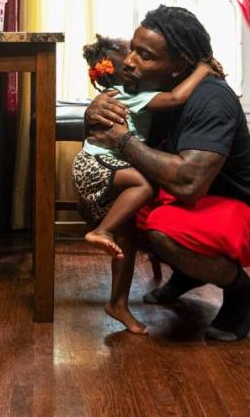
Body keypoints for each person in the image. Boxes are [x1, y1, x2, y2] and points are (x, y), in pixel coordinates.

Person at [84, 6, 250, 342]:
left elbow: (189, 182)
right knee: (116, 207)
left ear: (178, 66)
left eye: (145, 55)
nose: (130, 61)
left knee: (164, 230)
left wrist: (122, 140)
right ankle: (188, 274)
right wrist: (94, 114)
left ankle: (241, 292)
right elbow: (105, 138)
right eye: (132, 48)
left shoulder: (211, 99)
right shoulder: (149, 92)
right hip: (201, 206)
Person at [72, 35, 217, 334]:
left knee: (125, 241)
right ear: (124, 71)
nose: (136, 61)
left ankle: (118, 303)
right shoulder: (129, 95)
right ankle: (101, 230)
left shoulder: (117, 93)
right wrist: (204, 69)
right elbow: (177, 98)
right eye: (131, 57)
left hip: (106, 166)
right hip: (99, 166)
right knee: (145, 186)